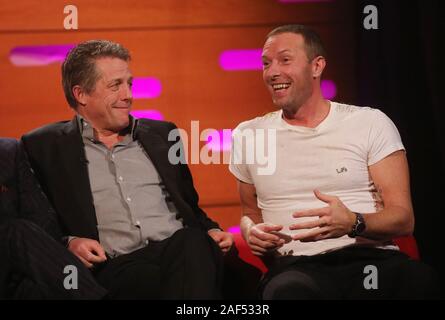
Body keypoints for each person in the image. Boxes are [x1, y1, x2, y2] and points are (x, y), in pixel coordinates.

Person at [229, 24, 439, 299]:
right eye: (266, 64)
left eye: (285, 60)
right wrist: (251, 231)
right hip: (297, 267)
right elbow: (249, 214)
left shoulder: (369, 122)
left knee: (420, 281)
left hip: (371, 259)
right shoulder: (248, 134)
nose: (273, 72)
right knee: (288, 293)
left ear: (317, 66)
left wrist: (353, 222)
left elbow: (403, 219)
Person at [22, 40, 233, 299]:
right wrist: (69, 242)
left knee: (192, 243)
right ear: (81, 94)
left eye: (129, 84)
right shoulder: (43, 147)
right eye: (115, 86)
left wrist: (212, 230)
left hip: (181, 251)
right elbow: (32, 225)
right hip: (117, 267)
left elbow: (190, 208)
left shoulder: (163, 134)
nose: (129, 95)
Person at [0, 137, 106, 299]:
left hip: (14, 275)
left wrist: (68, 243)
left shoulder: (7, 151)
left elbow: (41, 219)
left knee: (44, 288)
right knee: (16, 230)